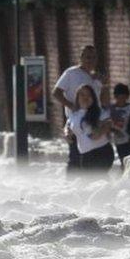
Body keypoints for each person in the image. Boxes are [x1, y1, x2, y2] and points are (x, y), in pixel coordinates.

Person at [53, 45, 104, 176]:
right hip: (76, 121)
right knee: (76, 156)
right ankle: (72, 186)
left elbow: (98, 100)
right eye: (87, 57)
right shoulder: (71, 73)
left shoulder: (95, 78)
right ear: (80, 58)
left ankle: (90, 184)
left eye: (93, 58)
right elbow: (56, 93)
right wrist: (71, 105)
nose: (90, 60)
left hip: (93, 121)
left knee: (93, 156)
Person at [65, 84, 114, 174]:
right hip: (85, 154)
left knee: (98, 178)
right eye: (82, 95)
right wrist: (67, 134)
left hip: (102, 151)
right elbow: (68, 126)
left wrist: (100, 131)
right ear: (77, 98)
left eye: (89, 95)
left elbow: (108, 123)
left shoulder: (99, 112)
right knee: (92, 182)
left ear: (93, 98)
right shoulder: (74, 114)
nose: (85, 98)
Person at [109, 83, 130, 167]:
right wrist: (114, 131)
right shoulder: (111, 109)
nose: (121, 100)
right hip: (118, 140)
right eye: (119, 97)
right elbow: (107, 124)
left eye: (123, 97)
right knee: (123, 161)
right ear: (115, 97)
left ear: (127, 97)